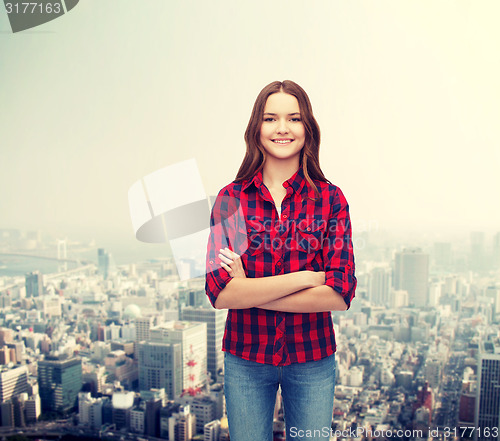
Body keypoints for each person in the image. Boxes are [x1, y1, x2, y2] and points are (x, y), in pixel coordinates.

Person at [205, 80, 357, 440]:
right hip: (245, 358)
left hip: (312, 357)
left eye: (294, 118)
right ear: (256, 128)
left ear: (308, 128)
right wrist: (308, 276)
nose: (283, 128)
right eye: (271, 118)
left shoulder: (330, 200)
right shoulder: (231, 199)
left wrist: (249, 289)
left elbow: (339, 295)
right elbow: (220, 294)